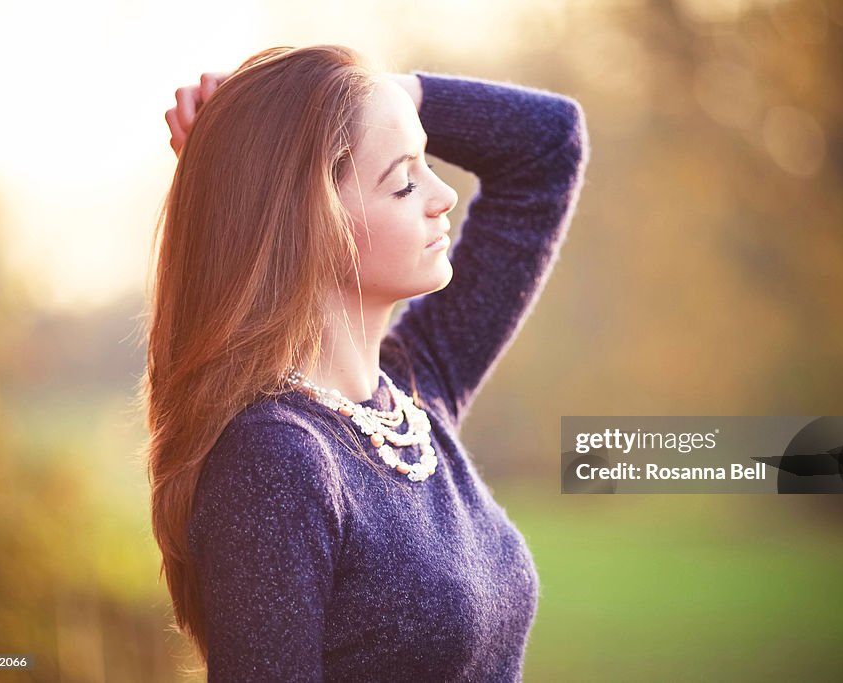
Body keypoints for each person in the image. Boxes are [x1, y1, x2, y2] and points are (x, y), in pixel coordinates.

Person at [143, 44, 589, 681]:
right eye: (405, 180)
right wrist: (297, 124)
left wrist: (368, 94)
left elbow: (549, 146)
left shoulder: (416, 391)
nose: (442, 197)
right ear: (311, 222)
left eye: (426, 162)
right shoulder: (277, 463)